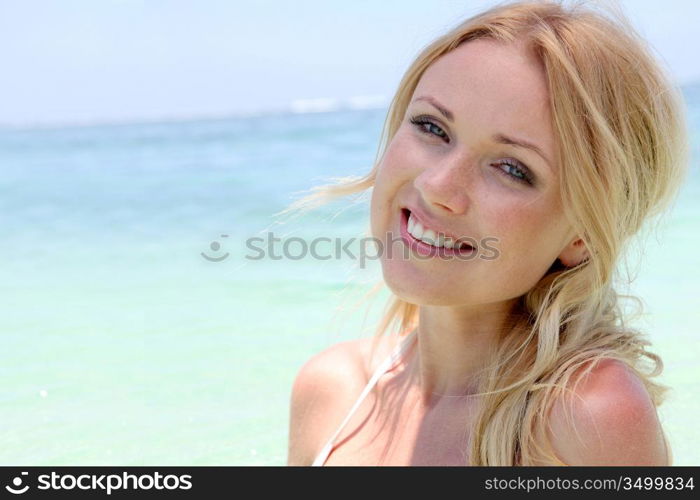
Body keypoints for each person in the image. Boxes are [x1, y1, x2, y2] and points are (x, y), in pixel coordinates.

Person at [285, 0, 689, 466]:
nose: (437, 187)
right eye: (431, 127)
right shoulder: (331, 391)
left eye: (512, 168)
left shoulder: (587, 418)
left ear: (583, 236)